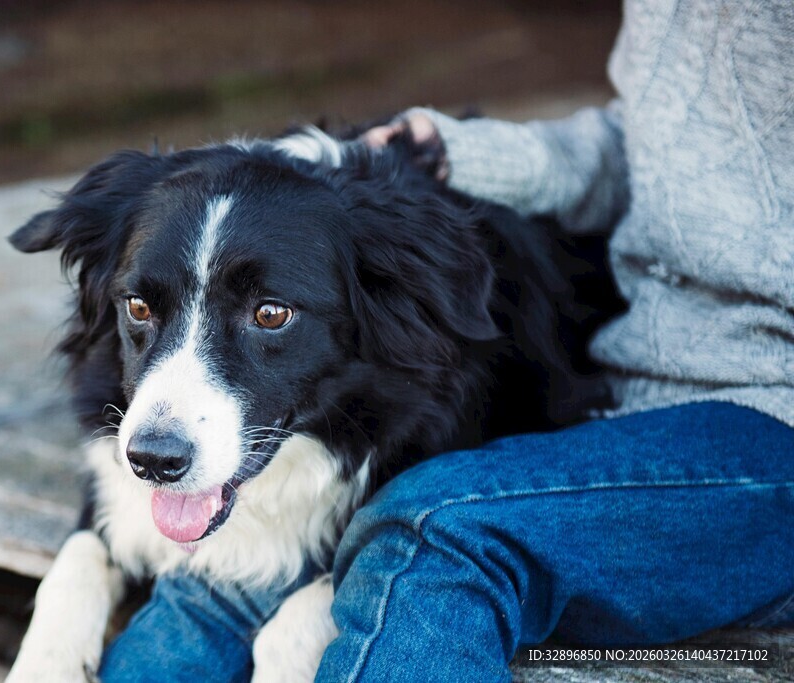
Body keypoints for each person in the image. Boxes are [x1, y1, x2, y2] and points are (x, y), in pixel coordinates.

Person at [100, 1, 794, 680]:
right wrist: (450, 152)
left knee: (431, 531)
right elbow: (658, 153)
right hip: (636, 384)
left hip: (770, 408)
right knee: (202, 602)